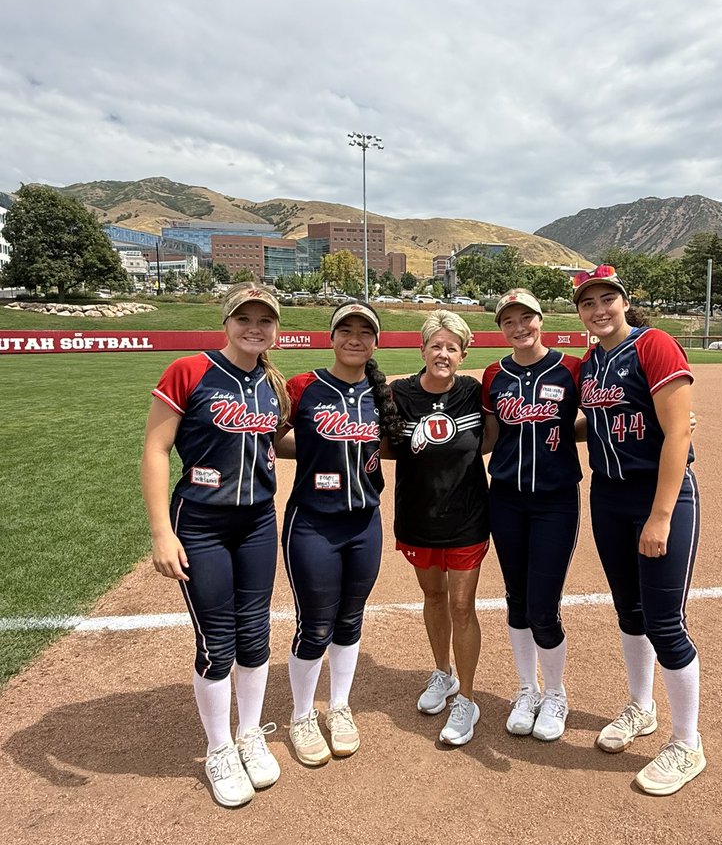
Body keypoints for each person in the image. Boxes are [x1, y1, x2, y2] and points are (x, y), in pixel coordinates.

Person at [140, 283, 289, 808]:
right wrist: (162, 531)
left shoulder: (272, 383)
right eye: (243, 318)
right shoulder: (190, 370)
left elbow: (277, 442)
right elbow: (156, 450)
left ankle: (250, 733)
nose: (254, 327)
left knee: (255, 632)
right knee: (216, 640)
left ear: (275, 328)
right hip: (200, 522)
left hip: (256, 522)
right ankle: (219, 747)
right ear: (225, 322)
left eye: (264, 320)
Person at [573, 264, 704, 796]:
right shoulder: (590, 363)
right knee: (628, 611)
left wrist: (661, 515)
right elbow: (592, 423)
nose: (599, 309)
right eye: (589, 302)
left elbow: (676, 433)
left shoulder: (654, 345)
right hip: (607, 495)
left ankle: (687, 743)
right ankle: (640, 708)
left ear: (624, 302)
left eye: (608, 298)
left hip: (657, 496)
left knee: (664, 621)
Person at [278, 301, 403, 767]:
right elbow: (270, 439)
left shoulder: (380, 393)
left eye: (364, 331)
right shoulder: (304, 386)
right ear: (331, 338)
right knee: (314, 625)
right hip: (312, 522)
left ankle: (340, 707)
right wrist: (314, 451)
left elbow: (391, 446)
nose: (354, 338)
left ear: (375, 341)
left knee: (350, 619)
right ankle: (301, 715)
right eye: (345, 330)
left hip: (364, 522)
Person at [385, 310, 490, 747]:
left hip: (467, 518)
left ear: (463, 353)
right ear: (423, 349)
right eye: (436, 345)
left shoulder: (474, 392)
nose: (443, 353)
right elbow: (382, 446)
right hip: (417, 517)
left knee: (463, 606)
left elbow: (503, 437)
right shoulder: (398, 394)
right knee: (433, 596)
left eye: (452, 347)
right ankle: (442, 674)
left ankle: (467, 698)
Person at [481, 289, 583, 742]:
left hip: (555, 500)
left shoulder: (571, 368)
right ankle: (527, 689)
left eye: (526, 318)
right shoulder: (494, 374)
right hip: (505, 498)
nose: (519, 327)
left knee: (544, 604)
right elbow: (490, 433)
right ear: (501, 328)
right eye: (509, 321)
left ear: (541, 319)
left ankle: (556, 693)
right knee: (516, 599)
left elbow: (596, 417)